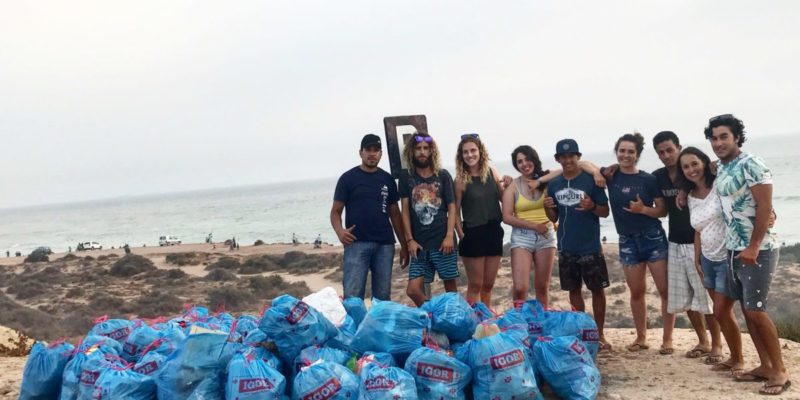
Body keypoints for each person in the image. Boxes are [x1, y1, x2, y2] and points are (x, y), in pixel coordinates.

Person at [704, 114, 789, 395]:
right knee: (746, 310)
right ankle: (764, 365)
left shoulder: (752, 163)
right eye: (714, 138)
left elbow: (765, 207)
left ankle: (779, 371)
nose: (718, 142)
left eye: (723, 136)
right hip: (733, 248)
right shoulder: (723, 168)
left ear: (737, 137)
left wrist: (753, 245)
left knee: (756, 310)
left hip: (758, 249)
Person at [676, 146, 745, 377]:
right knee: (719, 312)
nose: (691, 169)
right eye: (686, 166)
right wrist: (697, 257)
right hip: (707, 259)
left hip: (727, 256)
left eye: (694, 163)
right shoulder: (691, 197)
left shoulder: (719, 185)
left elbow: (736, 174)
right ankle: (733, 357)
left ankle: (738, 359)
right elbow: (698, 229)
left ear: (704, 162)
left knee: (722, 310)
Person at [603, 132, 674, 353]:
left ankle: (667, 339)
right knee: (636, 291)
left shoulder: (649, 180)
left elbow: (662, 210)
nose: (626, 155)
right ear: (617, 152)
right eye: (622, 151)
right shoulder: (610, 177)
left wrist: (642, 209)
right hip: (627, 241)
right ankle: (641, 337)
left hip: (652, 238)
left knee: (665, 291)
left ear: (638, 154)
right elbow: (584, 165)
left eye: (630, 152)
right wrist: (606, 170)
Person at [652, 131, 720, 359]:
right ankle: (703, 341)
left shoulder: (698, 174)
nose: (666, 155)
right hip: (674, 242)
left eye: (670, 150)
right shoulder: (659, 177)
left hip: (697, 243)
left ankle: (717, 346)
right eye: (661, 152)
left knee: (706, 298)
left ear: (679, 148)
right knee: (688, 298)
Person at [543, 138, 612, 350]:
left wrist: (592, 206)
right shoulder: (554, 185)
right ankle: (582, 331)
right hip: (566, 247)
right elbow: (553, 218)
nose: (567, 160)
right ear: (557, 159)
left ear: (578, 157)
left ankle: (599, 334)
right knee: (574, 291)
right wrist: (546, 207)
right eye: (563, 157)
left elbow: (605, 211)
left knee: (597, 290)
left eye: (571, 156)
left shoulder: (591, 180)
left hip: (590, 246)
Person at [331, 134, 408, 301]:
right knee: (353, 295)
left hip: (385, 245)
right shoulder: (348, 178)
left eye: (376, 150)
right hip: (356, 243)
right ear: (361, 153)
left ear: (381, 154)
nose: (372, 154)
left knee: (382, 297)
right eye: (368, 150)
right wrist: (340, 232)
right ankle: (354, 327)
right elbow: (335, 211)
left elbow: (395, 214)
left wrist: (404, 245)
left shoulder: (387, 179)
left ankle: (378, 327)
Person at [400, 132, 459, 306]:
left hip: (443, 241)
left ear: (432, 151)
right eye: (418, 148)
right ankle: (434, 314)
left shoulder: (443, 175)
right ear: (412, 151)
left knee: (450, 287)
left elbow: (452, 207)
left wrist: (449, 235)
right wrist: (409, 240)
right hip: (419, 245)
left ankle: (456, 320)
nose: (422, 152)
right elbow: (404, 211)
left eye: (426, 148)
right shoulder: (406, 177)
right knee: (412, 289)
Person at [502, 145, 557, 309]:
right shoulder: (514, 186)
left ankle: (542, 323)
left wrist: (540, 180)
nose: (524, 164)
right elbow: (506, 216)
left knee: (542, 287)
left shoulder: (547, 179)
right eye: (519, 161)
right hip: (522, 236)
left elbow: (565, 170)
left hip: (546, 236)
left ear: (534, 158)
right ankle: (519, 323)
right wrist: (534, 226)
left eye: (527, 159)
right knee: (520, 288)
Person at [453, 133, 505, 307]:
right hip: (473, 233)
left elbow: (505, 199)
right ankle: (473, 322)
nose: (470, 155)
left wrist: (509, 183)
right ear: (461, 155)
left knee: (488, 285)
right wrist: (462, 235)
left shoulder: (492, 172)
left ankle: (486, 320)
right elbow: (455, 211)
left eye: (473, 150)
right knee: (475, 285)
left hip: (494, 231)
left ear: (480, 151)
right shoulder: (460, 180)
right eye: (465, 152)